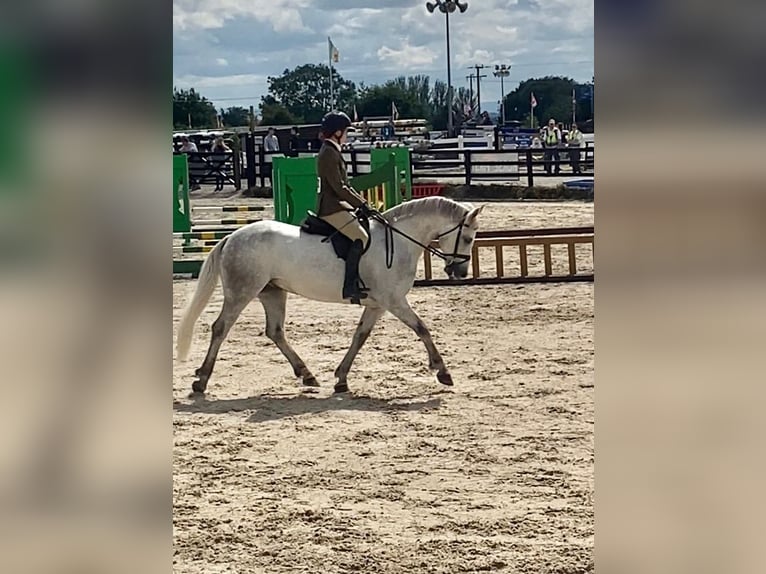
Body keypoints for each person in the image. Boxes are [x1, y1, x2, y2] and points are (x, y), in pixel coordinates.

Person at [316, 111, 371, 304]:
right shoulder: (329, 152)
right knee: (361, 237)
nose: (348, 135)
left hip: (338, 204)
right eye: (347, 131)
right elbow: (339, 187)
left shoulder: (332, 150)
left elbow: (345, 186)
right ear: (338, 133)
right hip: (332, 207)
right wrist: (361, 204)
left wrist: (361, 203)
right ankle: (350, 287)